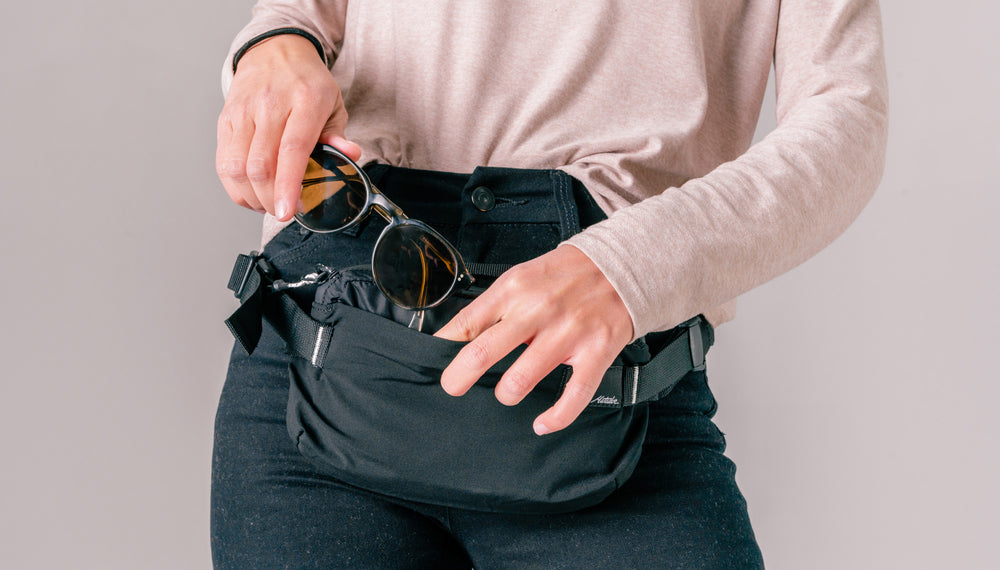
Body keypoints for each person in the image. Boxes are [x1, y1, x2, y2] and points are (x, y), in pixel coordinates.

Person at [212, 1, 888, 567]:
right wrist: (274, 47)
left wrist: (629, 267)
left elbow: (846, 117)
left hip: (609, 358)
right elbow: (303, 13)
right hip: (331, 322)